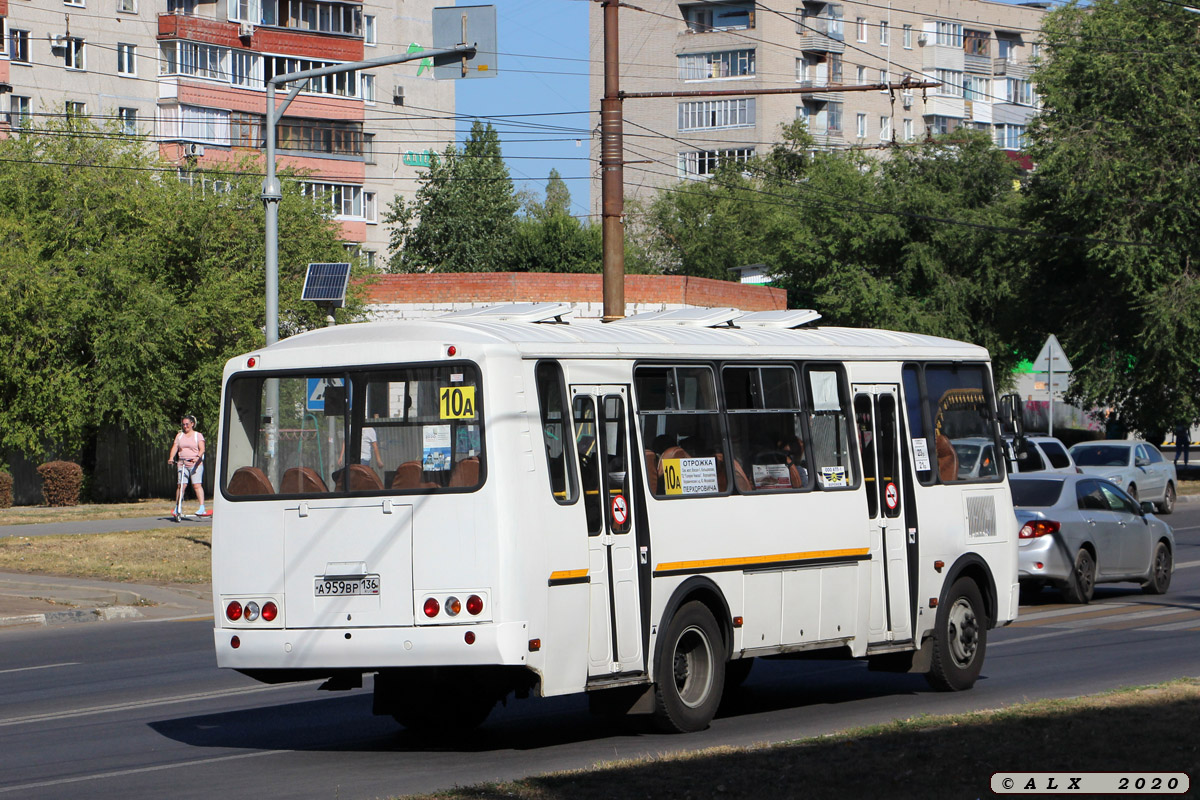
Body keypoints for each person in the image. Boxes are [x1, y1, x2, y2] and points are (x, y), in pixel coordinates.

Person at [168, 415, 207, 520]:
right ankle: (177, 507)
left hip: (195, 464)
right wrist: (171, 457)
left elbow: (202, 449)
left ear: (192, 424)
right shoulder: (179, 436)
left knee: (196, 485)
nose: (185, 426)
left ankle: (202, 507)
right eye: (183, 424)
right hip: (182, 463)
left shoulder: (197, 435)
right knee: (181, 486)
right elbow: (175, 447)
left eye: (187, 424)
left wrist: (197, 457)